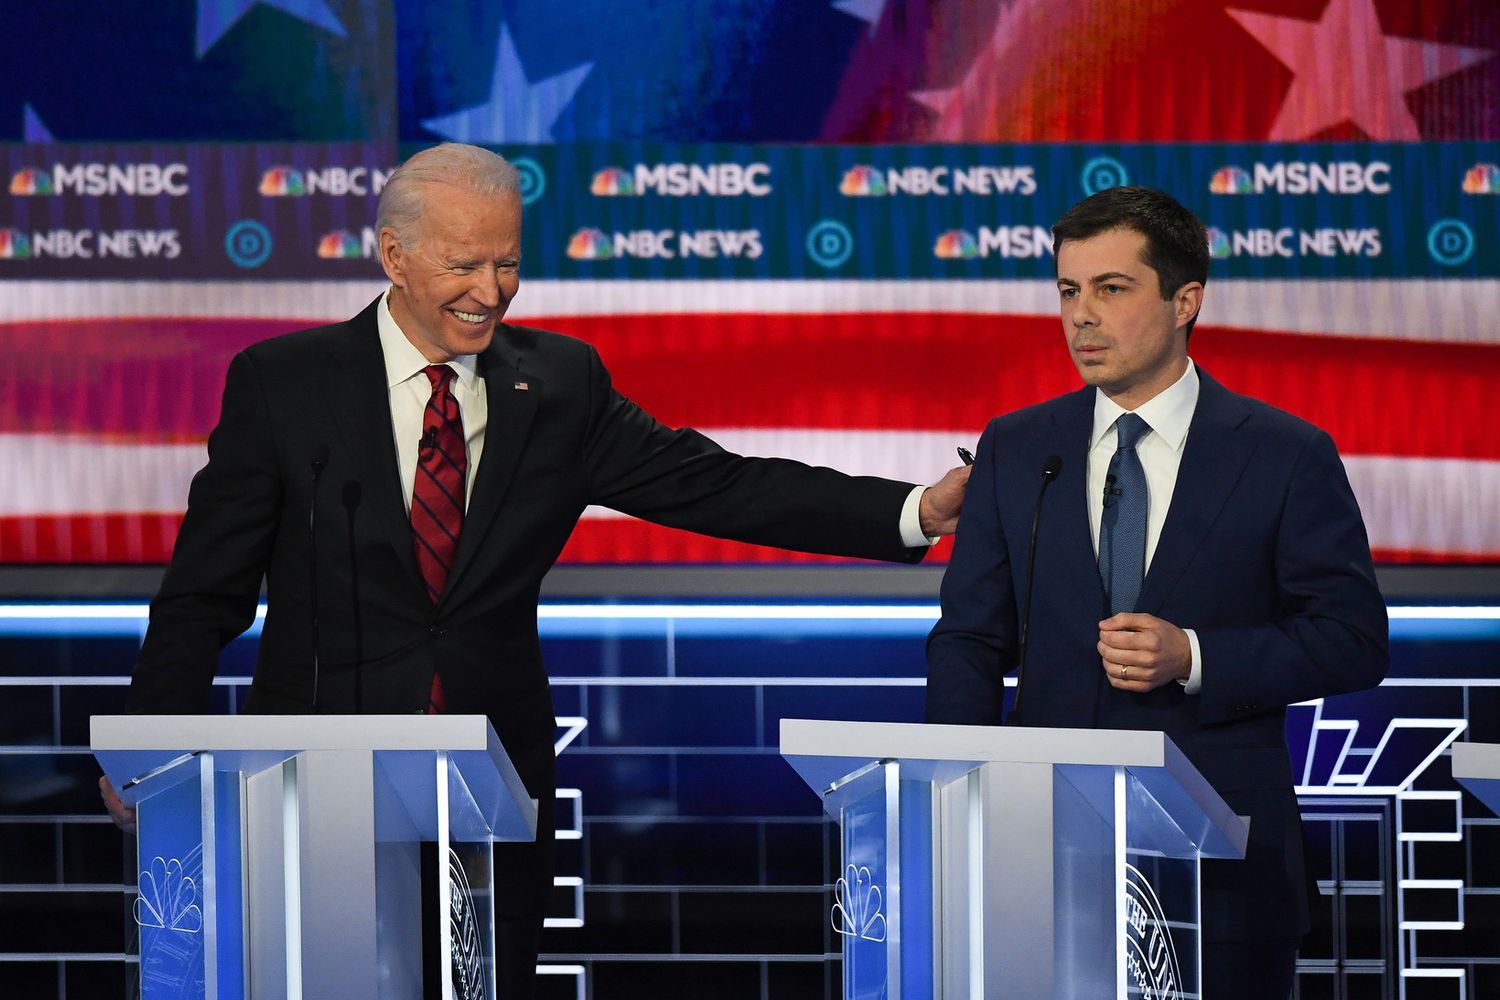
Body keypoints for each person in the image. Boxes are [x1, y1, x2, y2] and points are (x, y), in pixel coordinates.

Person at [101, 142, 970, 998]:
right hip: (312, 771)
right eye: (464, 264)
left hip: (490, 781)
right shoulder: (285, 384)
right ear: (394, 256)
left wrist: (913, 511)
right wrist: (149, 745)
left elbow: (716, 485)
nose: (491, 292)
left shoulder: (557, 384)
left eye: (508, 262)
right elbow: (205, 590)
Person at [924, 186, 1387, 999]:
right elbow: (968, 639)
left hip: (1224, 863)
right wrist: (952, 799)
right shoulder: (1018, 445)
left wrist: (1198, 657)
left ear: (1185, 302)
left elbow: (1353, 639)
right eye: (1068, 291)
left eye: (1111, 288)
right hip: (1040, 853)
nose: (1081, 317)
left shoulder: (1284, 454)